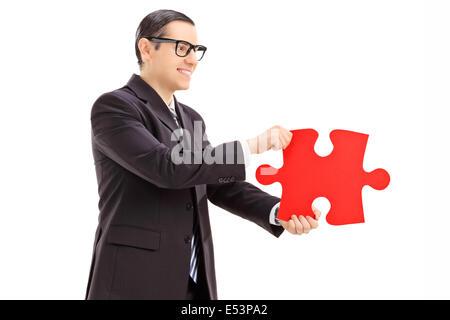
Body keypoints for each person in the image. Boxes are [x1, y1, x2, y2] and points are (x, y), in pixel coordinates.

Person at [85, 9, 321, 300]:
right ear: (146, 48)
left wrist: (279, 211)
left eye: (195, 50)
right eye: (181, 48)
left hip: (193, 281)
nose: (192, 60)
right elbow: (166, 168)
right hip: (134, 280)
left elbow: (213, 181)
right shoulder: (115, 107)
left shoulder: (191, 118)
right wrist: (253, 145)